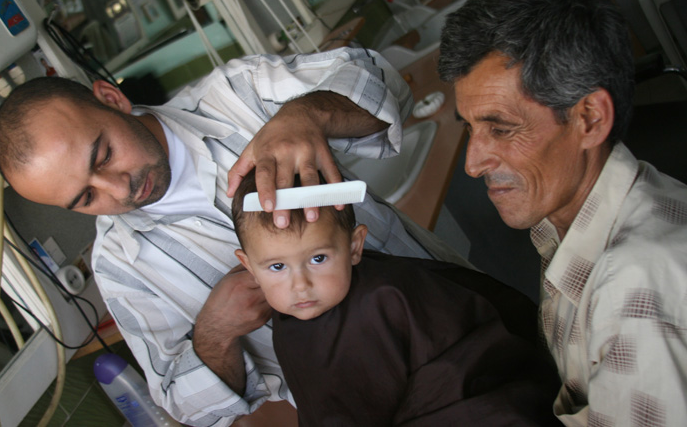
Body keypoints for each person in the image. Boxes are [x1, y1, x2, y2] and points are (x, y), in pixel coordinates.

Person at [0, 48, 466, 425]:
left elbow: (381, 82)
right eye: (86, 198)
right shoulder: (122, 267)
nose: (120, 189)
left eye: (104, 155)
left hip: (462, 321)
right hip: (375, 413)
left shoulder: (235, 96)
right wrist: (215, 334)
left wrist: (308, 115)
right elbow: (187, 406)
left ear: (112, 99)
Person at [437, 0, 687, 425]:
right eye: (470, 128)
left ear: (589, 118)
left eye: (501, 128)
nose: (473, 163)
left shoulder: (633, 297)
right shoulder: (569, 222)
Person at [231, 171, 560, 425]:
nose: (300, 285)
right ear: (249, 267)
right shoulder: (306, 318)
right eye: (277, 266)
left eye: (318, 259)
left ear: (355, 247)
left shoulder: (374, 306)